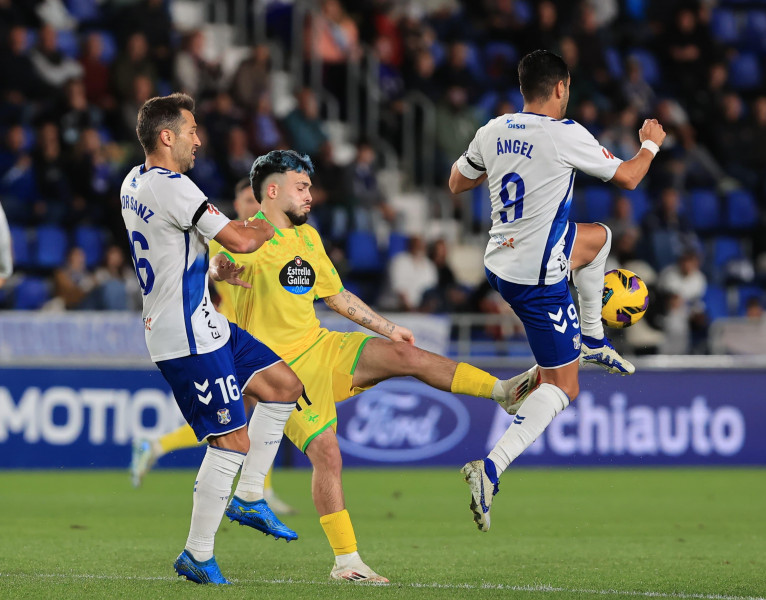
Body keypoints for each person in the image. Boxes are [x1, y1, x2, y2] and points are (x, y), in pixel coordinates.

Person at [207, 149, 538, 582]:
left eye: (310, 187)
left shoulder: (309, 239)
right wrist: (219, 270)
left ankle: (502, 393)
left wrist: (388, 327)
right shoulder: (243, 236)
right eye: (301, 187)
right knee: (327, 453)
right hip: (280, 373)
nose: (311, 195)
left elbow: (337, 297)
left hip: (323, 347)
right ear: (272, 191)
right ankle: (347, 563)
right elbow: (217, 264)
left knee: (405, 354)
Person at [448, 49, 666, 532]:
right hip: (537, 276)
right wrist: (649, 144)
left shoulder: (494, 128)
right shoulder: (566, 134)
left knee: (599, 238)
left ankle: (591, 337)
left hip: (502, 260)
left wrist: (507, 166)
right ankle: (490, 469)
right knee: (563, 385)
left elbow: (456, 182)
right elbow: (629, 176)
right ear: (562, 87)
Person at [121, 93, 305, 585]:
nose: (199, 139)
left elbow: (170, 250)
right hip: (187, 337)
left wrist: (210, 267)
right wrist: (274, 212)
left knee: (285, 385)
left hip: (206, 320)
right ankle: (197, 555)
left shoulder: (133, 182)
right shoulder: (174, 187)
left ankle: (248, 499)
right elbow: (244, 240)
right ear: (167, 137)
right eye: (191, 130)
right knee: (231, 441)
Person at [130, 178, 298, 515]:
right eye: (247, 201)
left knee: (245, 415)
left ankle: (160, 447)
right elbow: (210, 273)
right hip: (220, 339)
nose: (254, 206)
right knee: (240, 419)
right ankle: (255, 490)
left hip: (243, 339)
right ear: (236, 206)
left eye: (257, 200)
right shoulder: (228, 242)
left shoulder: (269, 245)